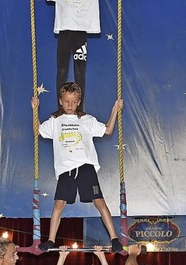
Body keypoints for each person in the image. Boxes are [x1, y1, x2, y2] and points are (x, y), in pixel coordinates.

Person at [29, 0, 124, 106]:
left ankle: (79, 108)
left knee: (80, 73)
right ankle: (61, 108)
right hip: (65, 34)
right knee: (62, 71)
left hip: (80, 34)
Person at [31, 83, 123, 253]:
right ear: (60, 101)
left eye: (73, 102)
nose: (70, 105)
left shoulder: (86, 120)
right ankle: (51, 240)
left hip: (85, 165)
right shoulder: (55, 121)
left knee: (99, 201)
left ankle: (114, 238)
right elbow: (38, 130)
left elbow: (108, 130)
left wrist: (115, 109)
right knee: (59, 203)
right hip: (66, 169)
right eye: (67, 101)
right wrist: (34, 109)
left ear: (78, 102)